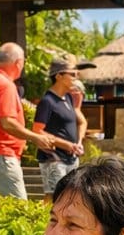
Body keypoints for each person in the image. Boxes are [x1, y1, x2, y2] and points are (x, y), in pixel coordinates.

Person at [0, 43, 74, 198]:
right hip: (1, 156)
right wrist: (36, 137)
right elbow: (7, 122)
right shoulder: (6, 85)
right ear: (18, 63)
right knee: (19, 211)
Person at [32, 55, 87, 197]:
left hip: (71, 158)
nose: (76, 78)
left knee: (70, 197)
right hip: (53, 158)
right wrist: (66, 145)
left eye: (77, 74)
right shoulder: (47, 102)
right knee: (54, 196)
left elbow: (80, 121)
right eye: (72, 74)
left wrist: (78, 142)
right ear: (59, 76)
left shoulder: (68, 98)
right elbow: (38, 131)